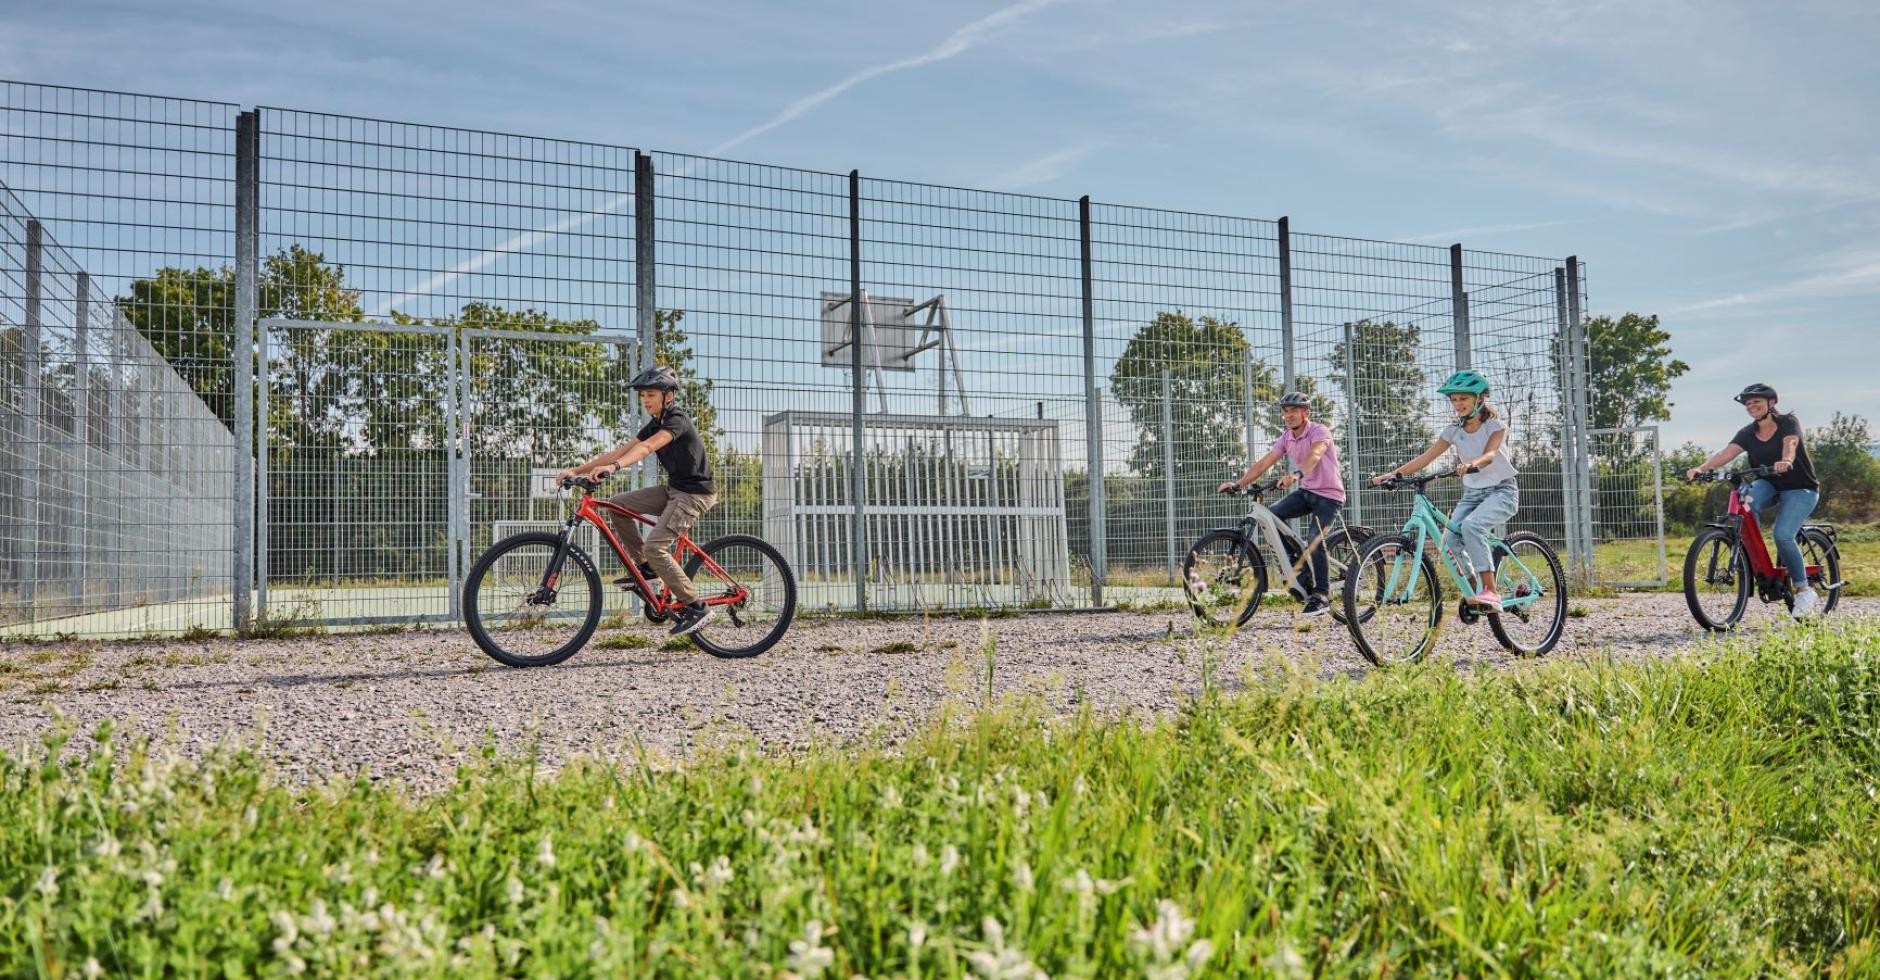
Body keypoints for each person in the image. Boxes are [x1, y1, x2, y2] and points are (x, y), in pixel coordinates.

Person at [557, 365, 720, 636]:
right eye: (643, 395)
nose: (646, 400)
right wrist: (577, 470)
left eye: (651, 395)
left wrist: (615, 468)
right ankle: (646, 567)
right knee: (618, 505)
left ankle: (696, 607)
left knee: (658, 547)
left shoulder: (676, 420)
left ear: (668, 396)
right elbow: (621, 450)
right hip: (674, 489)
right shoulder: (655, 423)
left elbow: (645, 449)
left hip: (695, 494)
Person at [1370, 370, 1518, 608]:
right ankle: (1474, 592)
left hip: (1502, 491)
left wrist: (1473, 464)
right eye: (1454, 399)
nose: (1458, 404)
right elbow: (1426, 458)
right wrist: (1394, 474)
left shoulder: (1495, 426)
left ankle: (1491, 591)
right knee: (1450, 539)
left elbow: (1490, 454)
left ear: (1479, 399)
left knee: (1472, 526)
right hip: (1473, 495)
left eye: (1463, 398)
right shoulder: (1453, 431)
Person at [1684, 382, 1822, 617]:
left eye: (1756, 401)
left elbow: (1791, 444)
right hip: (1769, 484)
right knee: (1745, 500)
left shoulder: (1787, 422)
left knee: (1783, 534)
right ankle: (1756, 557)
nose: (1751, 406)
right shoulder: (1747, 433)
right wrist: (1701, 468)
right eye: (1748, 404)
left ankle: (1803, 589)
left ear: (1771, 402)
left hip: (1800, 488)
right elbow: (1726, 454)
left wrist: (1786, 460)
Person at [1217, 391, 1346, 617]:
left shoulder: (1319, 431)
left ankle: (1322, 595)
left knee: (1315, 538)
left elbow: (1315, 455)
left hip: (1329, 495)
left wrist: (1296, 474)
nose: (1288, 415)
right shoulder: (1287, 437)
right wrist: (1239, 484)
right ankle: (1301, 570)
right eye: (1285, 411)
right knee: (1273, 516)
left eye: (1294, 411)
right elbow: (1265, 463)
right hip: (1307, 492)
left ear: (1306, 412)